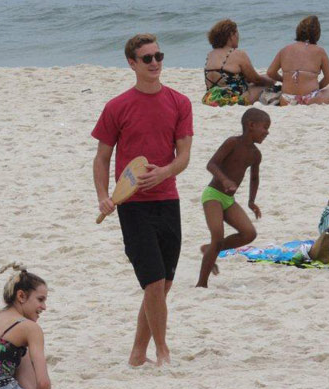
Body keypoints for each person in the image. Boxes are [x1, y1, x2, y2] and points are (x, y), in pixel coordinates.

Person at [92, 33, 193, 367]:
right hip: (133, 205)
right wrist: (104, 196)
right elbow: (102, 158)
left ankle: (137, 354)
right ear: (132, 63)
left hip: (168, 201)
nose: (155, 63)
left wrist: (164, 173)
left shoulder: (180, 102)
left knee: (163, 284)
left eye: (158, 56)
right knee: (153, 281)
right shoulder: (117, 106)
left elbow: (184, 156)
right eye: (147, 58)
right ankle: (163, 352)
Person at [196, 108, 270, 288]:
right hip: (213, 195)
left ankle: (209, 249)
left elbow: (254, 178)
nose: (267, 132)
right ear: (251, 125)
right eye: (265, 127)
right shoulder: (232, 143)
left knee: (249, 233)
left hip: (229, 200)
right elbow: (211, 164)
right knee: (218, 235)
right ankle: (201, 284)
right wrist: (224, 179)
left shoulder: (256, 154)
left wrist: (251, 201)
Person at [267, 15, 329, 106]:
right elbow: (328, 78)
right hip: (310, 99)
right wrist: (317, 88)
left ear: (298, 31)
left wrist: (284, 80)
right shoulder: (320, 51)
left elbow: (270, 72)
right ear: (317, 34)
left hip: (286, 99)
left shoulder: (285, 49)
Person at [202, 19, 274, 107]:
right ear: (231, 35)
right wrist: (270, 81)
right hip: (232, 100)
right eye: (237, 33)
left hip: (210, 99)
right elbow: (255, 79)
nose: (238, 37)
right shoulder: (238, 54)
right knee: (267, 83)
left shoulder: (210, 54)